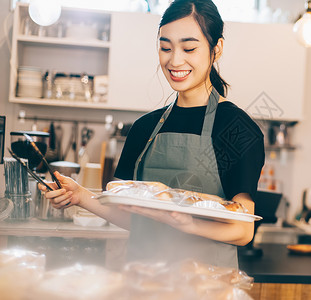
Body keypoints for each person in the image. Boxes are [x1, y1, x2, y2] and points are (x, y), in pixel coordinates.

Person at [40, 0, 265, 268]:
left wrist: (187, 223)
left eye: (189, 48)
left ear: (217, 49)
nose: (174, 60)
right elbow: (131, 215)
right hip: (143, 283)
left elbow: (242, 231)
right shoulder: (144, 128)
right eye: (165, 47)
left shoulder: (236, 128)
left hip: (207, 288)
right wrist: (79, 195)